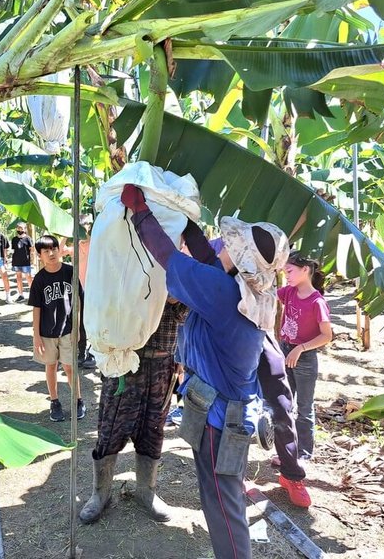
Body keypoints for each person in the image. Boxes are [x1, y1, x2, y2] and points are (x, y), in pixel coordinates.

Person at [121, 184, 289, 559]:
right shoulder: (252, 289)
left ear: (242, 254)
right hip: (229, 408)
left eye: (231, 244)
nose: (223, 246)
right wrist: (188, 225)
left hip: (222, 420)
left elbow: (169, 257)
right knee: (221, 498)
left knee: (223, 506)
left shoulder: (222, 292)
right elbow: (209, 265)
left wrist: (141, 211)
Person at [209, 237, 311, 508]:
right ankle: (233, 476)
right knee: (234, 409)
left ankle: (291, 474)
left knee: (281, 403)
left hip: (260, 336)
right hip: (228, 342)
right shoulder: (214, 251)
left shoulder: (262, 247)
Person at [80, 297, 189, 525]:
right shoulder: (126, 262)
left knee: (153, 430)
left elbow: (185, 313)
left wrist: (174, 296)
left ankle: (146, 492)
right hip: (124, 358)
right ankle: (100, 493)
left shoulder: (178, 263)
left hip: (163, 360)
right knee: (110, 429)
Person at [277, 252, 332, 464]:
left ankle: (304, 453)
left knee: (304, 408)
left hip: (305, 357)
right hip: (285, 351)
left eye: (289, 271)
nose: (286, 275)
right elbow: (268, 294)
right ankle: (286, 453)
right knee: (284, 404)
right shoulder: (289, 292)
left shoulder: (317, 301)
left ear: (305, 270)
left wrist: (300, 348)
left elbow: (326, 336)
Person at [28, 235, 86, 422]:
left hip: (68, 330)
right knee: (50, 366)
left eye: (53, 248)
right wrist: (36, 336)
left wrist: (77, 329)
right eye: (46, 251)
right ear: (39, 255)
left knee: (70, 367)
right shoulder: (39, 279)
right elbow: (36, 309)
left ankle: (77, 400)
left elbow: (77, 302)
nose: (51, 253)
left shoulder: (70, 272)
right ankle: (54, 401)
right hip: (47, 332)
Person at [61, 214, 96, 369]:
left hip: (95, 289)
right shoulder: (76, 245)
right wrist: (66, 234)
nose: (84, 228)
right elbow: (60, 251)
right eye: (81, 225)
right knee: (79, 322)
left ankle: (93, 352)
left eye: (87, 225)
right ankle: (81, 353)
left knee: (94, 322)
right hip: (78, 288)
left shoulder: (96, 243)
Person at [10, 222, 34, 302]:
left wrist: (32, 259)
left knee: (28, 278)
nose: (20, 230)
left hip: (25, 262)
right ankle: (21, 295)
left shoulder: (28, 238)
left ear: (25, 229)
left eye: (21, 228)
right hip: (16, 261)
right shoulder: (14, 239)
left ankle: (33, 294)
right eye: (18, 228)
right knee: (18, 278)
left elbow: (31, 249)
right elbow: (13, 250)